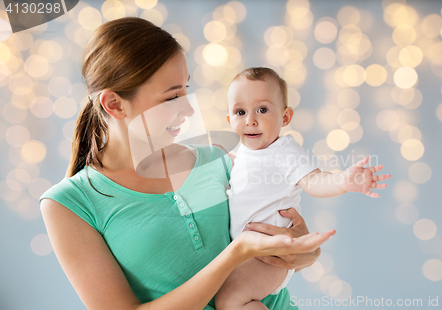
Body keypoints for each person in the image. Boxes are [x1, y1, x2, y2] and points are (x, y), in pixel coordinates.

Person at [39, 18, 335, 310]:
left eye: (185, 89)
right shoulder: (68, 205)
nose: (189, 108)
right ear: (114, 104)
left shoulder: (219, 159)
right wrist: (236, 253)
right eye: (173, 96)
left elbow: (286, 242)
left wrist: (307, 252)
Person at [215, 67, 391, 310]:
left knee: (230, 301)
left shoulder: (284, 151)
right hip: (247, 253)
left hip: (270, 256)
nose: (250, 120)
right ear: (229, 120)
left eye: (262, 110)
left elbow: (315, 181)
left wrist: (343, 181)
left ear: (285, 118)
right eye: (240, 112)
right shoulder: (241, 153)